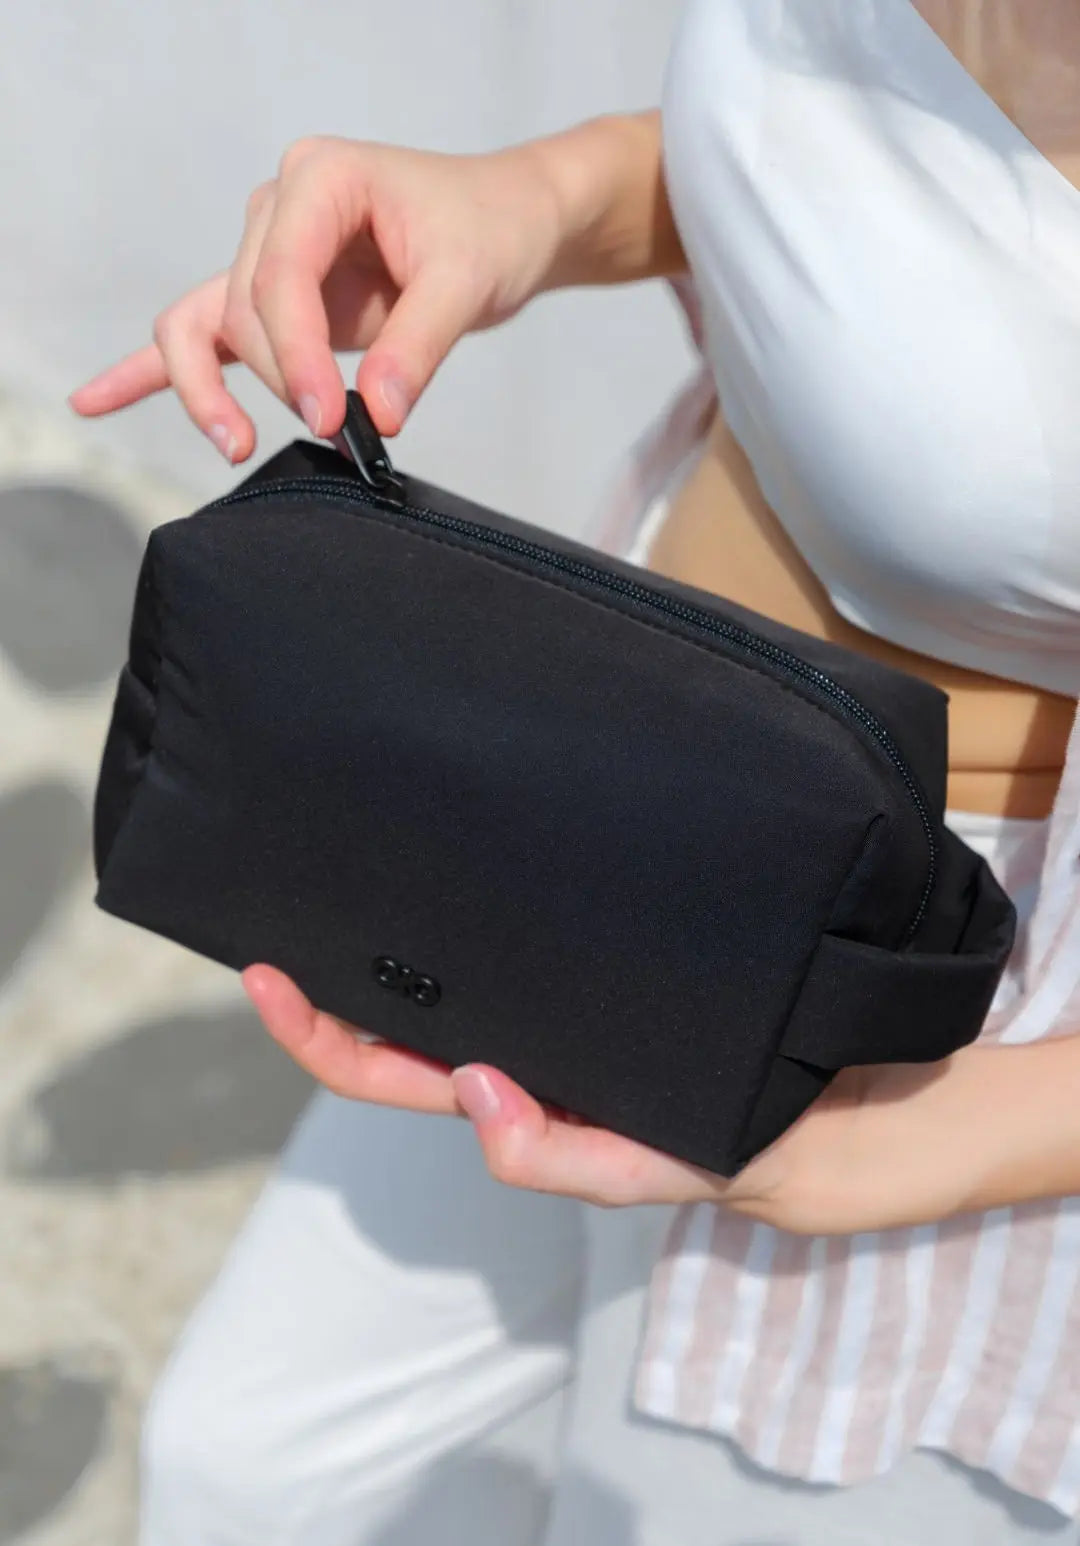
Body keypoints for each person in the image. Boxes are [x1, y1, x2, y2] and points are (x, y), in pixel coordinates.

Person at [69, 1, 1080, 1541]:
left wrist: (886, 1143)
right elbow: (829, 192)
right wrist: (533, 202)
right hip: (566, 807)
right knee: (248, 1467)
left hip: (902, 1021)